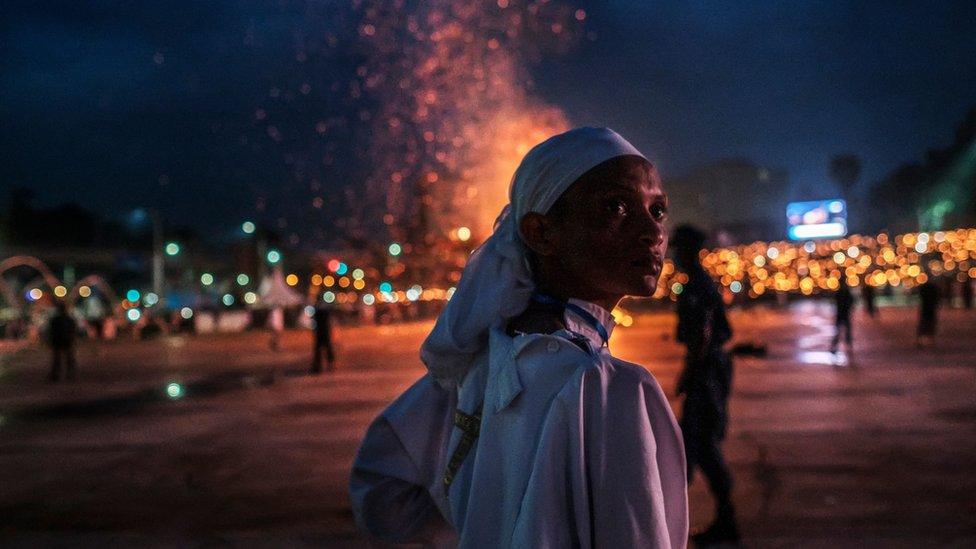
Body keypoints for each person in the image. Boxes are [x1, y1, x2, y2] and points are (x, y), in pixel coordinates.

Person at [350, 128, 687, 547]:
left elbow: (382, 490)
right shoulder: (608, 388)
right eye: (616, 206)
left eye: (657, 211)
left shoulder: (483, 359)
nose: (651, 233)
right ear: (541, 232)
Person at [672, 225, 739, 545]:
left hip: (706, 373)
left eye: (677, 249)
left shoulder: (697, 288)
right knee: (693, 444)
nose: (673, 255)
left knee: (701, 444)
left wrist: (689, 373)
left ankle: (726, 522)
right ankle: (720, 520)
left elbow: (705, 335)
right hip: (709, 370)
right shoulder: (700, 284)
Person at [47, 302, 78, 382]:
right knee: (67, 359)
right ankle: (68, 374)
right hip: (65, 341)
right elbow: (73, 330)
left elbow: (51, 331)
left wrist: (50, 341)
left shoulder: (55, 320)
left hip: (59, 341)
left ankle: (57, 375)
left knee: (58, 359)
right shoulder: (69, 319)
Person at [830, 277, 855, 353]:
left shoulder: (842, 292)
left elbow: (850, 301)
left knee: (842, 331)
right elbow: (851, 301)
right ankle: (841, 345)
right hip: (843, 313)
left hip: (842, 313)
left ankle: (846, 344)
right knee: (841, 331)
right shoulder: (844, 292)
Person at [311, 303, 336, 373]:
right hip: (325, 332)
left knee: (319, 350)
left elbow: (314, 325)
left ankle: (318, 366)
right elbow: (329, 325)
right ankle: (330, 365)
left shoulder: (317, 314)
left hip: (319, 333)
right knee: (328, 349)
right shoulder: (325, 315)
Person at [917, 277, 940, 347]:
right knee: (930, 324)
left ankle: (920, 340)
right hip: (930, 309)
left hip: (926, 309)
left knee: (924, 324)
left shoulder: (924, 289)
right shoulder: (933, 289)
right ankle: (930, 339)